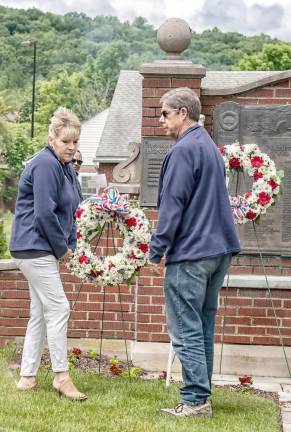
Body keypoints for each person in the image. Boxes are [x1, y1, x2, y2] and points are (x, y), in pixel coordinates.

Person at [149, 88, 240, 417]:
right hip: (219, 251)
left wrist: (156, 249)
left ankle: (195, 401)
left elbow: (173, 206)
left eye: (164, 113)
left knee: (185, 326)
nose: (160, 120)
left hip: (191, 254)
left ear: (182, 112)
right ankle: (200, 393)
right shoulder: (210, 148)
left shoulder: (184, 150)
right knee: (201, 324)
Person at [10, 107, 87, 401]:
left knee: (40, 312)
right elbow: (43, 214)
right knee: (59, 308)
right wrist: (63, 250)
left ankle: (27, 377)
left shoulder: (64, 167)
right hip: (34, 246)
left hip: (39, 247)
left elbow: (70, 208)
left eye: (75, 142)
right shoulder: (45, 164)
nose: (71, 147)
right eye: (66, 142)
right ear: (52, 138)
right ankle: (61, 376)